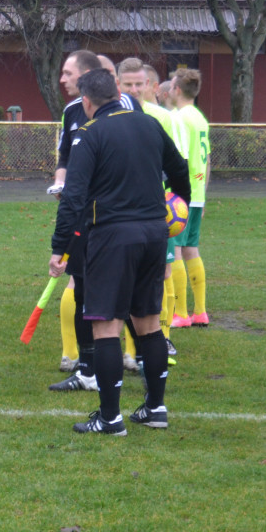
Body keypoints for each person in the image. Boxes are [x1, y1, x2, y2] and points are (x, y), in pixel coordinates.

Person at [49, 68, 190, 434]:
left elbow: (73, 198)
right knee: (148, 324)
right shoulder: (149, 125)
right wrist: (181, 207)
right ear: (117, 93)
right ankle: (155, 408)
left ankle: (110, 417)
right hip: (154, 235)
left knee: (106, 326)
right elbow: (179, 169)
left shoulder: (89, 133)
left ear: (87, 101)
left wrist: (59, 248)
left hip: (112, 238)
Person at [48, 51, 141, 393]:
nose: (62, 79)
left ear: (87, 77)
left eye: (68, 72)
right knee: (82, 286)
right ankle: (86, 368)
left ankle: (140, 357)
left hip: (119, 219)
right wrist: (62, 184)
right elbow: (66, 158)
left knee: (127, 295)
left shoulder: (127, 108)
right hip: (82, 218)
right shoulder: (71, 112)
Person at [116, 58, 186, 361]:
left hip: (156, 213)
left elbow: (175, 164)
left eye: (138, 84)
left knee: (160, 276)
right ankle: (126, 349)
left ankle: (156, 342)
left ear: (149, 86)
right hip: (119, 214)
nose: (133, 89)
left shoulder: (162, 117)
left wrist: (175, 205)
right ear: (118, 85)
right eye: (127, 84)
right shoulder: (110, 116)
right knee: (121, 282)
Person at [169, 68, 211, 328]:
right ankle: (201, 312)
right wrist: (203, 195)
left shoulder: (180, 118)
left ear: (176, 90)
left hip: (180, 196)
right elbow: (206, 161)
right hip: (196, 195)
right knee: (191, 250)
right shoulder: (199, 117)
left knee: (173, 252)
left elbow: (179, 158)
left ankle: (181, 314)